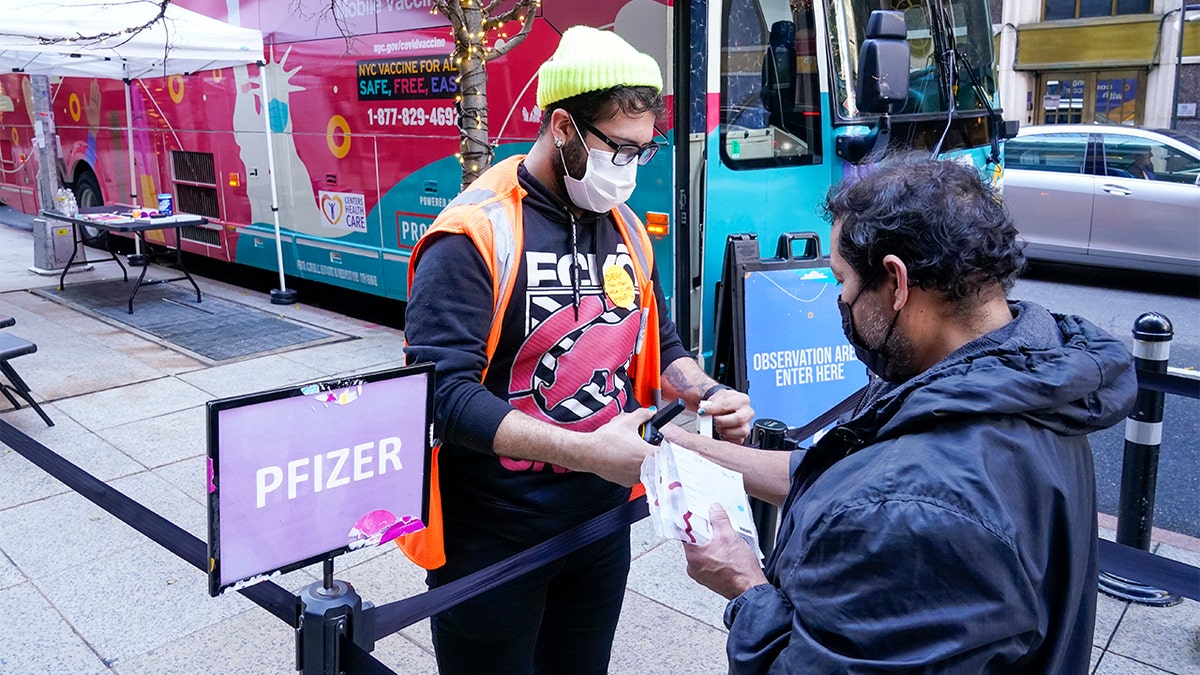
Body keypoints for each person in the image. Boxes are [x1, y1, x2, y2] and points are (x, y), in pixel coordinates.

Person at [667, 155, 1137, 673]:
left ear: (896, 282)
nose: (839, 300)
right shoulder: (1024, 381)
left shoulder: (912, 506)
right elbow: (833, 476)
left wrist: (744, 585)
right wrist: (674, 447)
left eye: (842, 280)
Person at [401, 25, 754, 674]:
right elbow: (440, 398)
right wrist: (586, 450)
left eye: (642, 152)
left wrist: (704, 390)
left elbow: (664, 343)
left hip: (600, 526)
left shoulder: (625, 229)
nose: (629, 168)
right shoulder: (473, 233)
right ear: (562, 127)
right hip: (493, 541)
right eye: (619, 148)